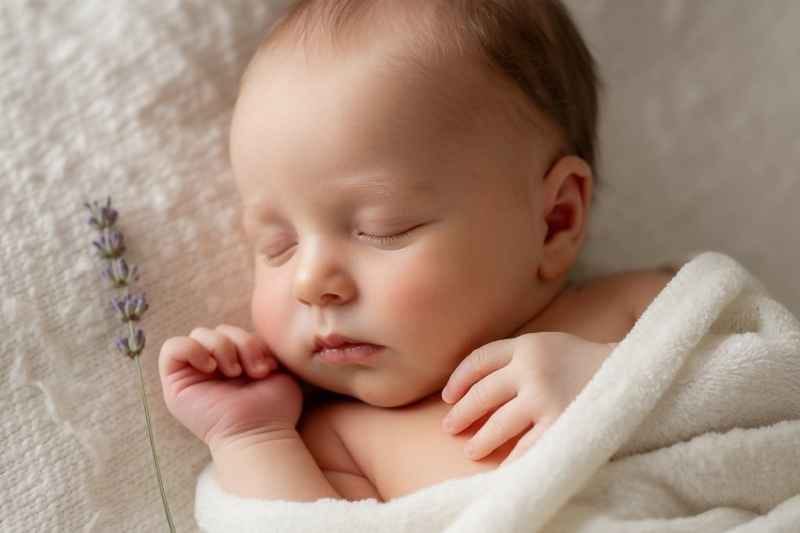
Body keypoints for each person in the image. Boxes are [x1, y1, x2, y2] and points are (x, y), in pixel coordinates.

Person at [159, 0, 675, 503]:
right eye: (278, 246)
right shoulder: (339, 441)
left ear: (555, 221)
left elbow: (729, 380)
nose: (310, 281)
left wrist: (614, 381)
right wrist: (251, 437)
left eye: (383, 228)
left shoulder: (637, 312)